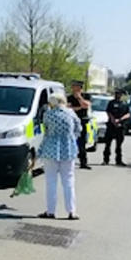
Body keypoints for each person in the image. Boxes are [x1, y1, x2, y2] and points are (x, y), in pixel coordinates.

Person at [38, 92, 81, 220]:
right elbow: (78, 129)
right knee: (68, 181)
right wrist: (70, 139)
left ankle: (51, 211)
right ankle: (71, 211)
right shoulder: (71, 113)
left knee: (51, 182)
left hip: (50, 150)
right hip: (68, 150)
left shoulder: (48, 114)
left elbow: (45, 131)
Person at [67, 80, 91, 170]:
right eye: (73, 86)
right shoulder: (69, 97)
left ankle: (83, 162)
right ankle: (69, 161)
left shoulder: (86, 96)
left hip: (82, 122)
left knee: (82, 143)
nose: (73, 88)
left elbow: (86, 105)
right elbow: (68, 108)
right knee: (70, 142)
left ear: (80, 88)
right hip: (71, 122)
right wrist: (79, 107)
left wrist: (79, 98)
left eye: (75, 86)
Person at [103, 88, 130, 166]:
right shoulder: (111, 103)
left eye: (119, 94)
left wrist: (120, 119)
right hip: (111, 125)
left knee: (119, 145)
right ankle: (106, 160)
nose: (118, 95)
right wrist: (113, 120)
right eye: (117, 94)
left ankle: (119, 160)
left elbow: (128, 114)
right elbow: (108, 112)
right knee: (108, 144)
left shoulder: (124, 104)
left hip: (121, 126)